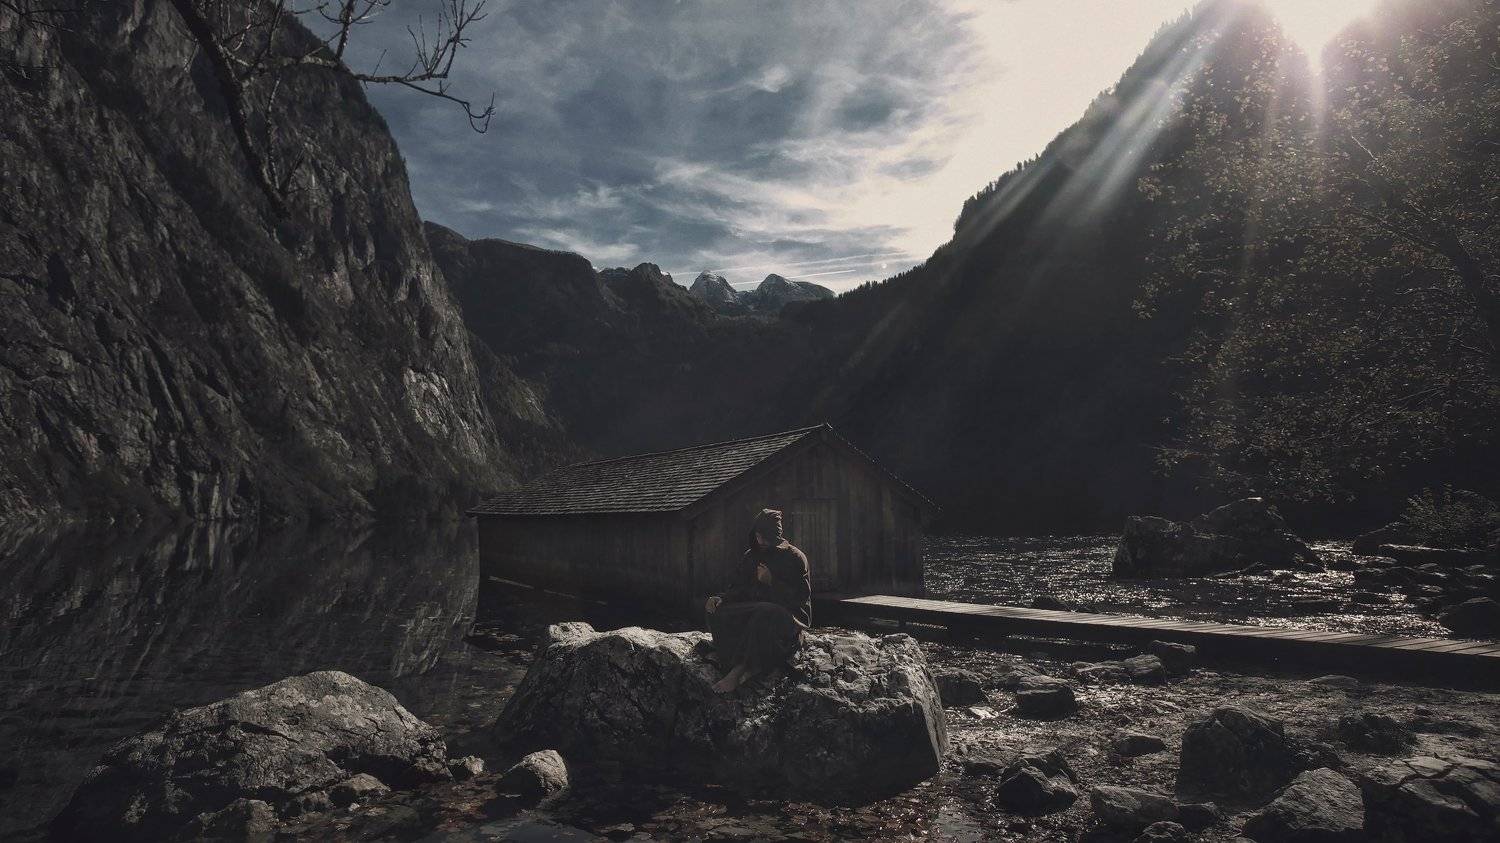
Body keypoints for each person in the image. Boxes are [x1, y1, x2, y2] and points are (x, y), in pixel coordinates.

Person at [703, 508, 812, 694]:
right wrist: (721, 598)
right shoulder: (751, 555)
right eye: (758, 536)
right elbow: (737, 587)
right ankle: (729, 658)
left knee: (765, 610)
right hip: (756, 614)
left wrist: (772, 582)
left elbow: (800, 599)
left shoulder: (794, 557)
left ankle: (739, 670)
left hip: (788, 619)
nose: (760, 541)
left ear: (775, 536)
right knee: (716, 609)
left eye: (765, 537)